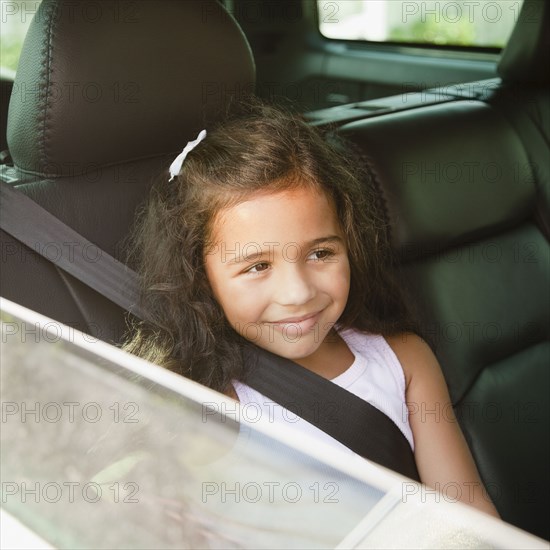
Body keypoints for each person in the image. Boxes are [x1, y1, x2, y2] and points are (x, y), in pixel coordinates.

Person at [124, 101, 499, 518]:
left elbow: (469, 518)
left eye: (320, 253)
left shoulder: (403, 359)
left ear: (349, 242)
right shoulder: (199, 405)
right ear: (199, 275)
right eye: (258, 266)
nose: (298, 292)